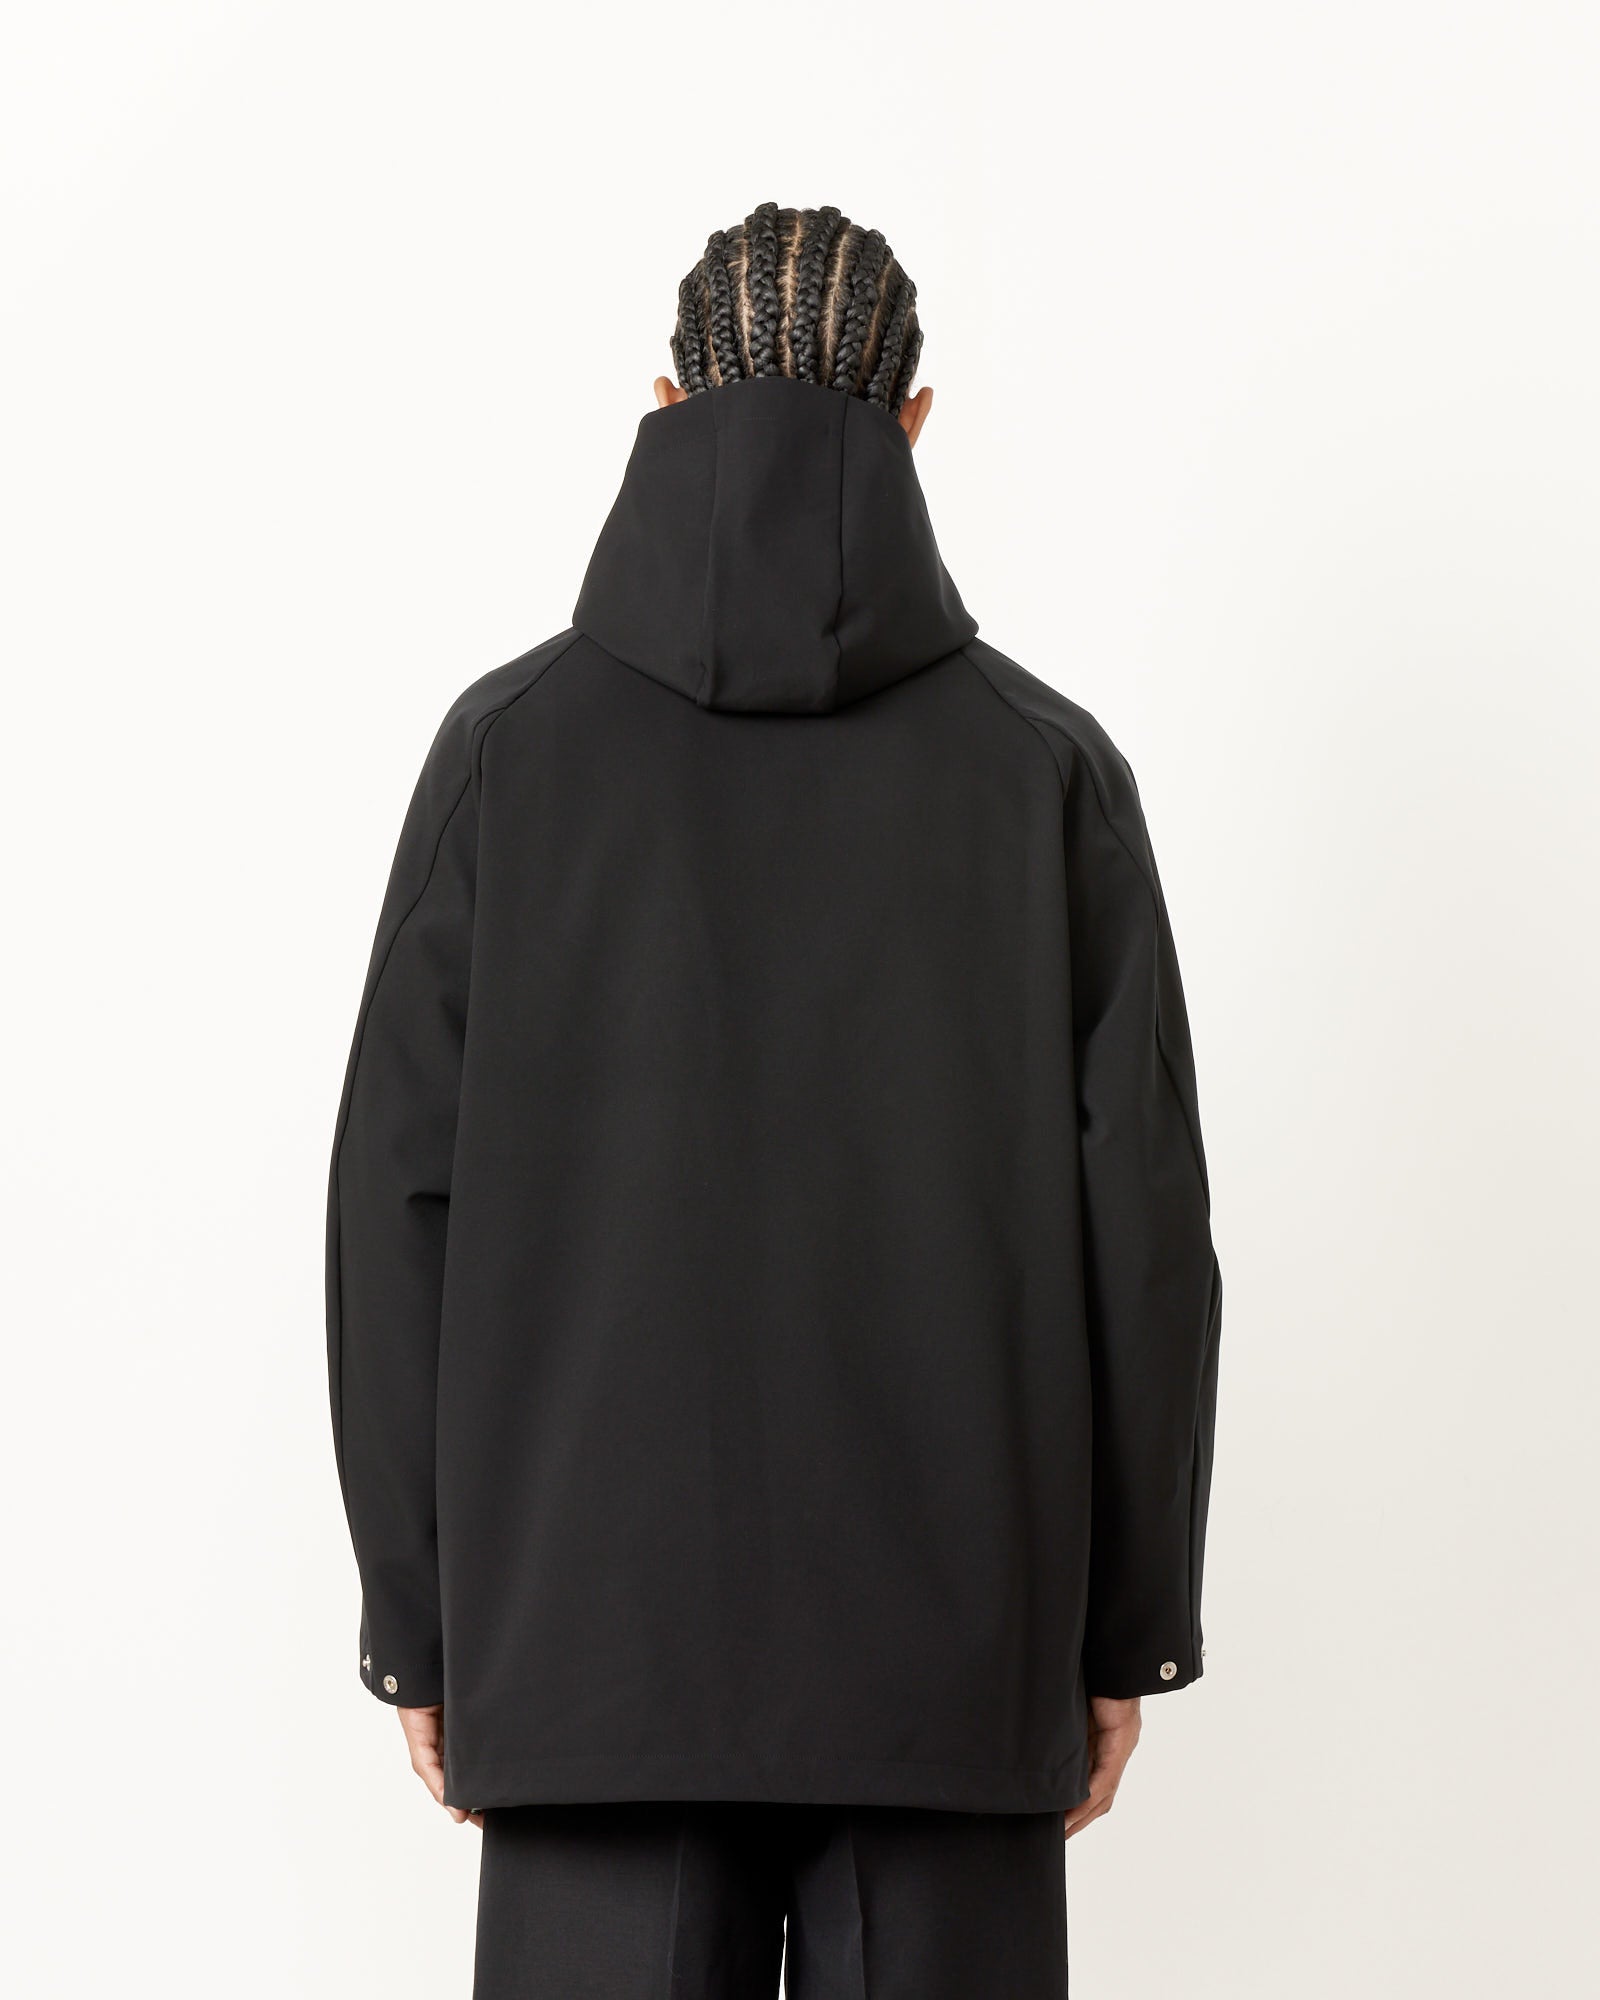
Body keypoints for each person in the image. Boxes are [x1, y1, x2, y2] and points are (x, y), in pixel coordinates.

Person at [327, 202, 1222, 1998]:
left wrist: (422, 1624)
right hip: (955, 1651)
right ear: (915, 423)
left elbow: (394, 1207)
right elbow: (1143, 1233)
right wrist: (1127, 1629)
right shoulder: (1044, 771)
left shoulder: (509, 752)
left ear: (666, 402)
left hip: (585, 1651)